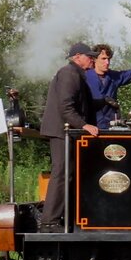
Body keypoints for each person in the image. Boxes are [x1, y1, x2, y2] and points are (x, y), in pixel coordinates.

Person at [38, 42, 100, 232]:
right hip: (61, 132)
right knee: (62, 173)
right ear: (77, 57)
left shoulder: (77, 76)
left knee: (69, 173)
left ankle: (64, 217)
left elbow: (81, 105)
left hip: (66, 131)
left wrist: (104, 102)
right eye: (89, 56)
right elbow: (66, 107)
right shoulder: (68, 74)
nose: (92, 59)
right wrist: (84, 125)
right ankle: (49, 222)